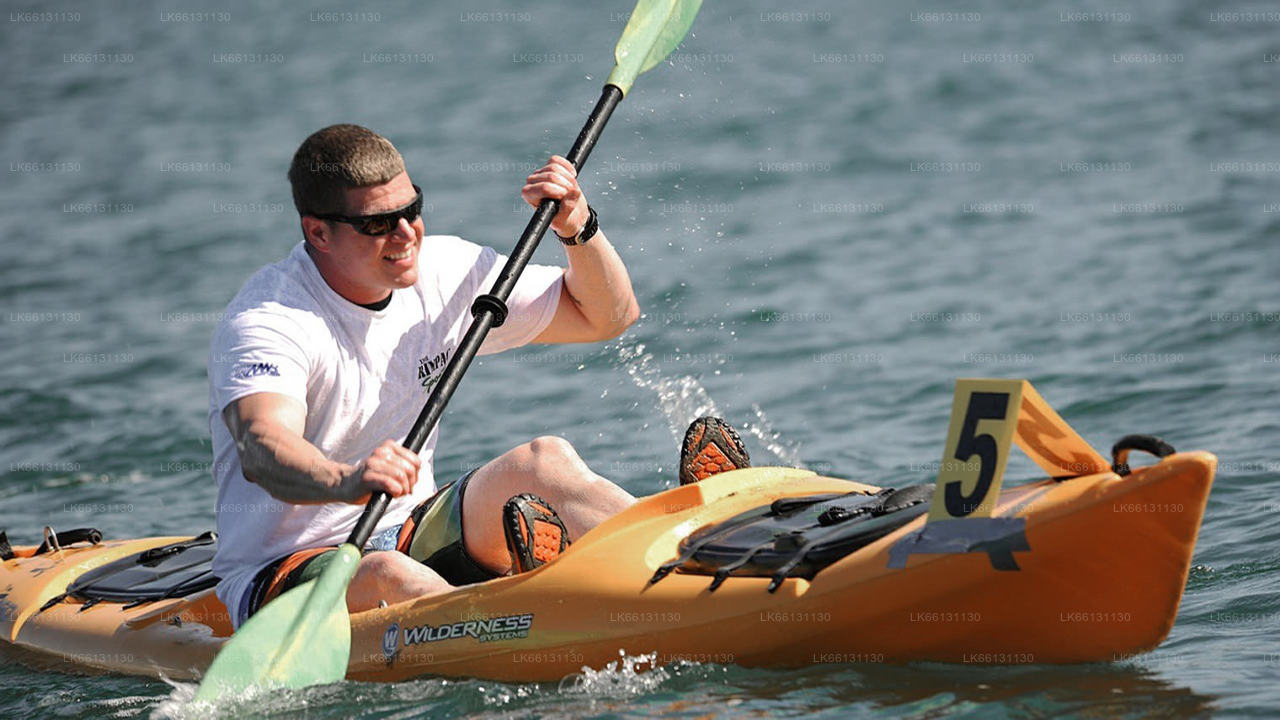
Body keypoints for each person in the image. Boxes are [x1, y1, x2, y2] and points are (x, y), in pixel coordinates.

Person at [208, 124, 751, 628]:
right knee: (388, 574)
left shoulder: (443, 271)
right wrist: (345, 482)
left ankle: (697, 550)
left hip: (409, 527)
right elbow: (263, 448)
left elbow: (608, 317)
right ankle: (528, 616)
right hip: (284, 568)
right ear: (319, 233)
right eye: (378, 223)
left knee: (544, 462)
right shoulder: (270, 321)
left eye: (412, 209)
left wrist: (577, 227)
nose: (406, 234)